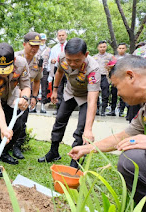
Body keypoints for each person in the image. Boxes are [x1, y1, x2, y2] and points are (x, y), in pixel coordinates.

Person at [68, 55, 146, 210]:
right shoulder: (145, 108)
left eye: (117, 87)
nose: (117, 94)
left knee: (133, 160)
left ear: (130, 76)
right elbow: (124, 136)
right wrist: (86, 149)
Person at [38, 38, 100, 168]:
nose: (72, 63)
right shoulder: (62, 58)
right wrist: (55, 90)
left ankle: (76, 160)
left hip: (86, 97)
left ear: (86, 55)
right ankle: (53, 151)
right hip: (70, 92)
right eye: (69, 60)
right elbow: (59, 72)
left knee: (81, 129)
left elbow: (93, 99)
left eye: (77, 60)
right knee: (59, 121)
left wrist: (89, 129)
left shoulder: (93, 69)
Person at [0, 43, 30, 177]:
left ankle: (4, 152)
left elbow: (26, 85)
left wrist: (25, 98)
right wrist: (3, 128)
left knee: (17, 126)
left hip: (13, 97)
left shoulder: (21, 64)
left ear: (14, 61)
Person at [13, 32, 41, 160]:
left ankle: (17, 146)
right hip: (12, 94)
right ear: (25, 44)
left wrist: (34, 97)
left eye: (37, 46)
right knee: (10, 120)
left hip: (26, 95)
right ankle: (6, 145)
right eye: (32, 45)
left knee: (22, 121)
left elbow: (37, 80)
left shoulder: (38, 60)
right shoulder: (15, 57)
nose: (34, 49)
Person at [93, 40, 115, 116]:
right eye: (101, 47)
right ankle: (97, 109)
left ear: (106, 47)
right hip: (96, 76)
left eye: (104, 47)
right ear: (98, 48)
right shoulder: (94, 57)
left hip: (105, 76)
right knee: (95, 93)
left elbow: (115, 65)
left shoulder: (110, 56)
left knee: (105, 93)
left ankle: (103, 110)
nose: (102, 48)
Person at [48, 29, 68, 115]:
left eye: (63, 35)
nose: (61, 37)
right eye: (59, 36)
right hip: (58, 69)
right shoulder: (54, 48)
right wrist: (52, 61)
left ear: (66, 36)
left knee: (69, 89)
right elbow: (50, 60)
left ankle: (67, 109)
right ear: (57, 37)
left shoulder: (70, 46)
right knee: (58, 89)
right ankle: (59, 109)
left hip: (69, 70)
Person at [107, 43, 128, 117]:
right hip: (115, 78)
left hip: (124, 79)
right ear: (117, 49)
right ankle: (112, 110)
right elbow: (109, 69)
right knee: (114, 94)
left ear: (126, 49)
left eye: (123, 48)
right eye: (120, 48)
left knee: (123, 95)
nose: (121, 50)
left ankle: (121, 111)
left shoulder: (129, 57)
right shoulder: (114, 58)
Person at [38, 33, 51, 113]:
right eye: (41, 40)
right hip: (36, 69)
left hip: (45, 69)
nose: (42, 41)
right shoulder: (35, 48)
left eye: (43, 40)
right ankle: (32, 105)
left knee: (44, 88)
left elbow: (50, 60)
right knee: (33, 87)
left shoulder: (48, 49)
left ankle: (43, 106)